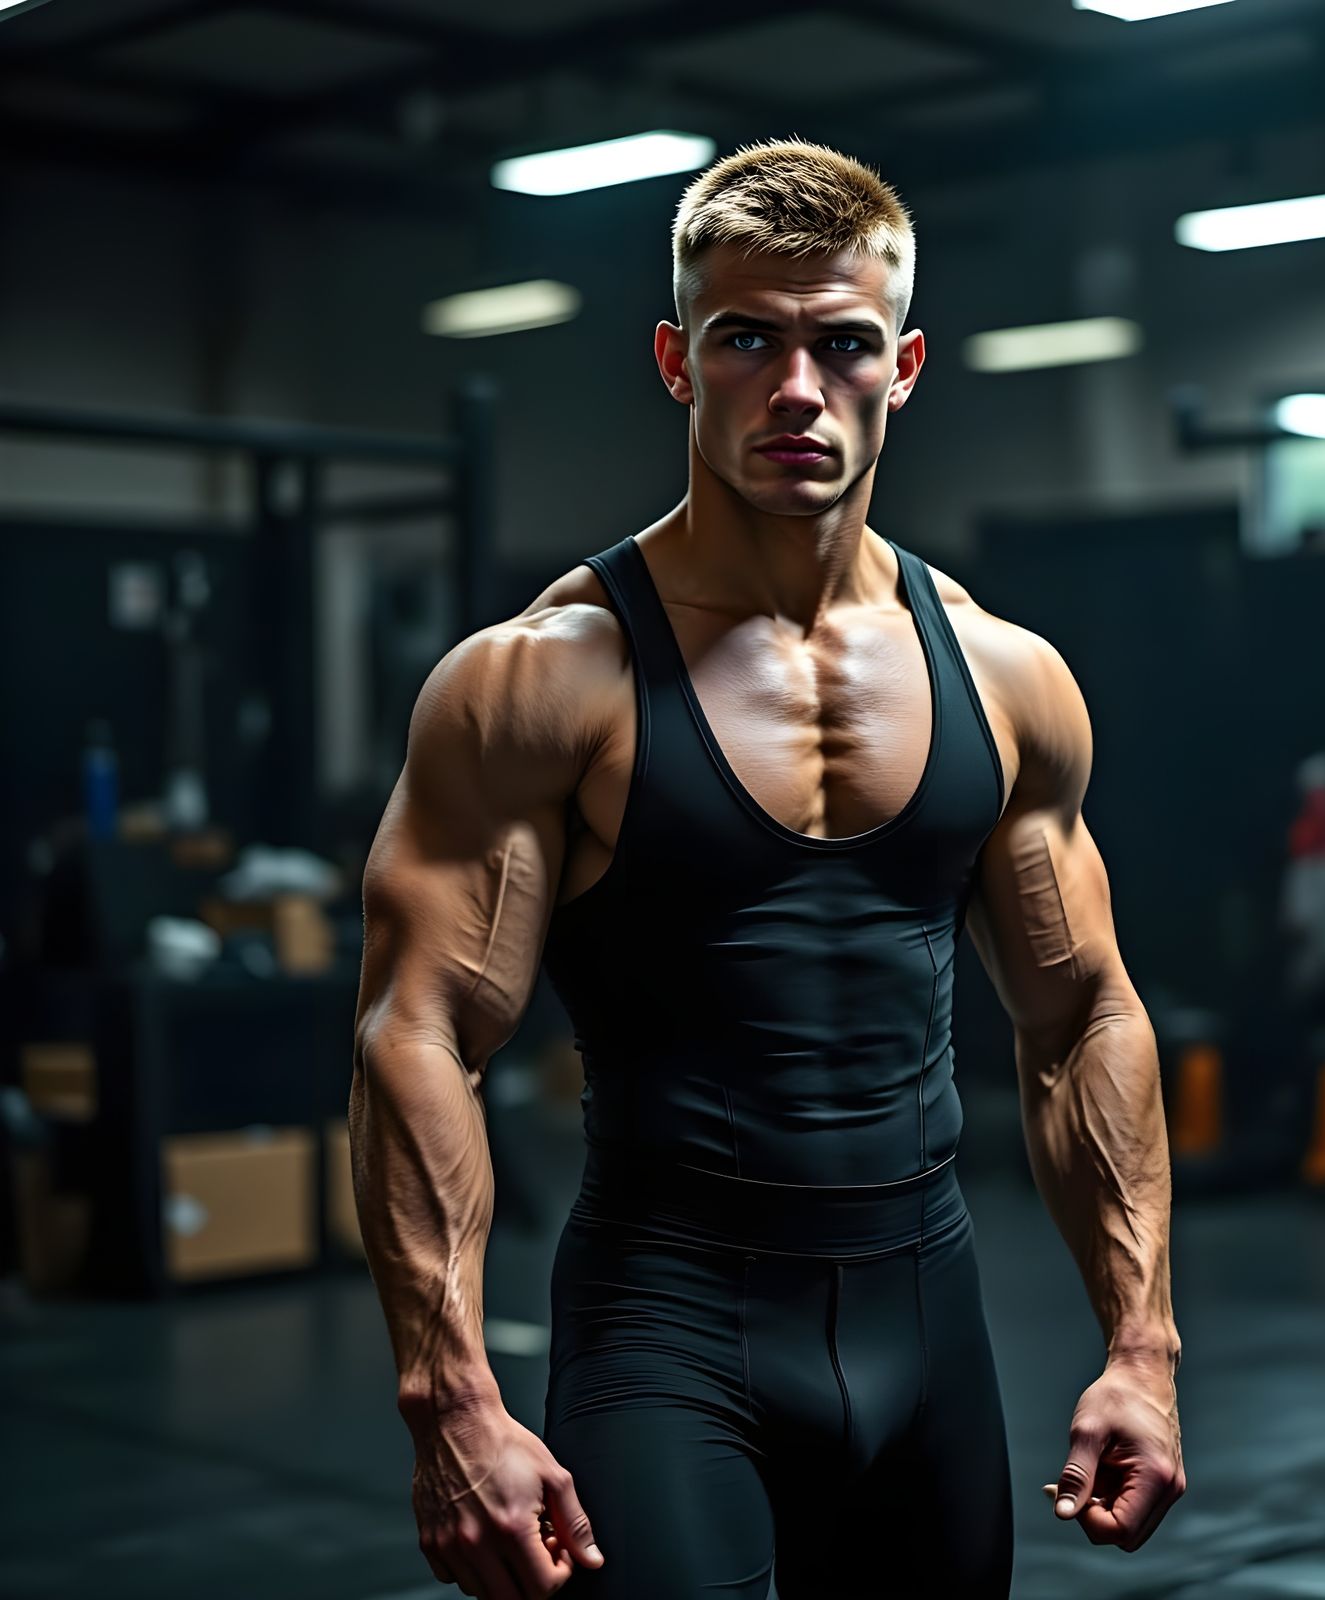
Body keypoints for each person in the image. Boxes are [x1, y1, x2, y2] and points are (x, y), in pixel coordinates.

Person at [350, 137, 1184, 1600]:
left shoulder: (1005, 679)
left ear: (905, 364)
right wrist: (453, 1401)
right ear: (678, 359)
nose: (797, 390)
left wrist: (1143, 1348)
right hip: (666, 1319)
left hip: (930, 1318)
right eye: (748, 339)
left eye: (842, 345)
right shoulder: (543, 683)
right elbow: (418, 1031)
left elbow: (1084, 1019)